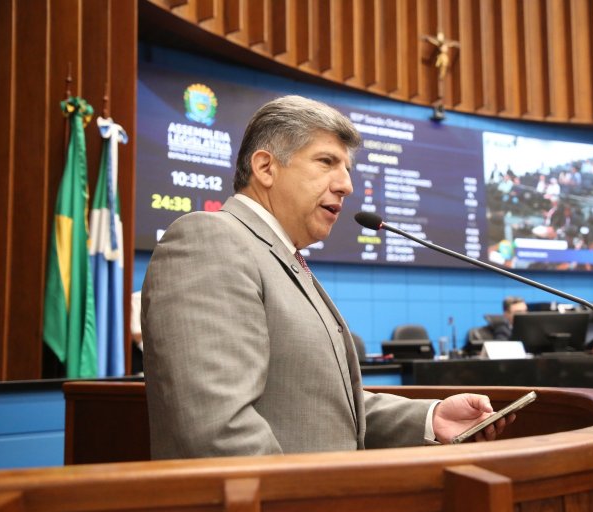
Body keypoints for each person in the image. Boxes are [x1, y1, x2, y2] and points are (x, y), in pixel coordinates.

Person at [142, 95, 510, 460]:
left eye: (346, 168)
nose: (346, 185)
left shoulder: (280, 256)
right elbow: (219, 427)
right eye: (326, 162)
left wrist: (430, 418)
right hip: (282, 499)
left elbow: (314, 406)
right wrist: (314, 497)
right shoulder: (211, 240)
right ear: (266, 167)